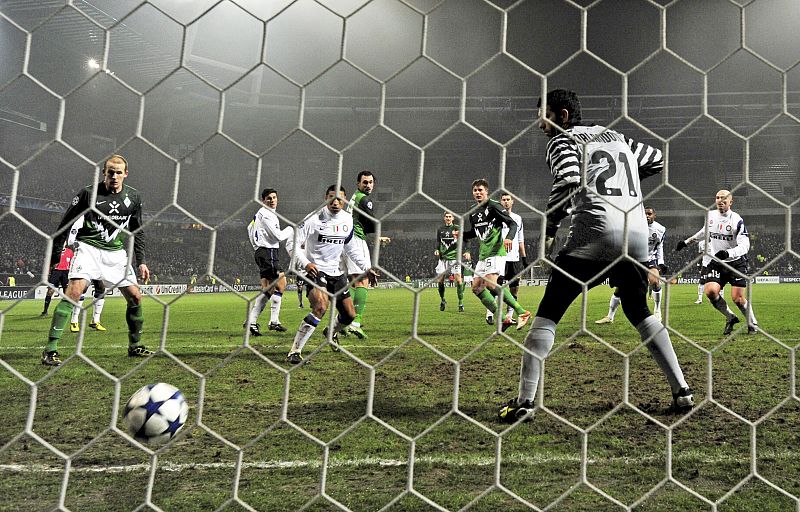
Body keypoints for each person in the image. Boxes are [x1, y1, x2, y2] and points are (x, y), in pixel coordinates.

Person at [498, 89, 693, 422]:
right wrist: (624, 179)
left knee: (549, 312)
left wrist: (549, 227)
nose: (539, 124)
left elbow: (570, 180)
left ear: (560, 115)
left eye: (543, 115)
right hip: (636, 236)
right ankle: (682, 391)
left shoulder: (562, 140)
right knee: (639, 309)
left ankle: (526, 402)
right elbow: (657, 158)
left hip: (594, 233)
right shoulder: (615, 136)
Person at [40, 154, 152, 366]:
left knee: (136, 298)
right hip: (88, 249)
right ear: (104, 173)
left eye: (119, 173)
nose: (115, 177)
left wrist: (142, 261)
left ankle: (135, 345)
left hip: (116, 254)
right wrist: (56, 256)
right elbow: (64, 224)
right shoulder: (88, 193)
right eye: (111, 173)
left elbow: (138, 231)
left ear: (126, 174)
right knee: (73, 293)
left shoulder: (134, 197)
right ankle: (50, 349)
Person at [285, 184, 377, 364]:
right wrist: (306, 263)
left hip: (336, 272)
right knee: (320, 306)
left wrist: (367, 267)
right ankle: (295, 351)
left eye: (340, 199)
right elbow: (291, 243)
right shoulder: (313, 219)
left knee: (349, 316)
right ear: (325, 198)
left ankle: (331, 331)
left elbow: (350, 247)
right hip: (315, 270)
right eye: (331, 198)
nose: (335, 202)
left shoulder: (347, 220)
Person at [676, 189, 758, 335]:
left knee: (738, 299)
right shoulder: (710, 215)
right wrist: (687, 242)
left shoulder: (736, 220)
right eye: (718, 197)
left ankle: (752, 323)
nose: (720, 200)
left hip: (735, 262)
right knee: (710, 291)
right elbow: (704, 231)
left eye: (724, 198)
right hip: (717, 262)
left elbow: (745, 245)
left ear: (730, 202)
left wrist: (728, 253)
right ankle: (730, 317)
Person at [461, 179, 530, 331]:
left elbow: (513, 224)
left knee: (491, 285)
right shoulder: (473, 211)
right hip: (483, 254)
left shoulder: (494, 206)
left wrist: (509, 238)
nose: (478, 193)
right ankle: (502, 318)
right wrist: (462, 234)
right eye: (475, 191)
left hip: (497, 251)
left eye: (480, 190)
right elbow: (475, 232)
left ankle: (522, 312)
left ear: (486, 192)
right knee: (476, 288)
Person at [595, 206, 668, 323]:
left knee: (655, 281)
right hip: (635, 258)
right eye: (645, 214)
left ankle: (657, 311)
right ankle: (610, 316)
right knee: (620, 287)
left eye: (649, 214)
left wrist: (661, 262)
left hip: (650, 258)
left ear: (654, 215)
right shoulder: (634, 227)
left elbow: (660, 247)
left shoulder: (660, 229)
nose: (647, 216)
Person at [344, 171, 390, 339]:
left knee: (354, 283)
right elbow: (372, 222)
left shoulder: (355, 198)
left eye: (370, 182)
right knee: (363, 280)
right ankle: (355, 323)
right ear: (358, 184)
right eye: (365, 182)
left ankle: (344, 321)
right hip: (356, 240)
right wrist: (378, 236)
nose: (368, 185)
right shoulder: (364, 199)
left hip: (347, 239)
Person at [245, 188, 293, 336]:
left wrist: (256, 246)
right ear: (263, 200)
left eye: (274, 198)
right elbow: (278, 236)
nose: (272, 200)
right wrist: (291, 229)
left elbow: (249, 228)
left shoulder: (260, 214)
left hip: (263, 252)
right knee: (280, 284)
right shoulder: (267, 215)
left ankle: (256, 321)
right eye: (269, 198)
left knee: (268, 289)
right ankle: (268, 321)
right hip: (268, 252)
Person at [499, 193, 528, 324]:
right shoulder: (497, 218)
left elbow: (520, 240)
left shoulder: (518, 218)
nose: (505, 202)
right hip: (500, 257)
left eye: (508, 199)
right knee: (496, 286)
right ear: (500, 202)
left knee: (514, 287)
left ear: (512, 201)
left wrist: (524, 258)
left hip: (514, 258)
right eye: (503, 200)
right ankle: (490, 313)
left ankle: (509, 316)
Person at [434, 211, 465, 312]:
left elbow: (464, 240)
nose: (448, 218)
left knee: (459, 280)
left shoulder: (457, 228)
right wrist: (437, 249)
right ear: (444, 218)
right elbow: (438, 241)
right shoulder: (440, 229)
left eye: (449, 216)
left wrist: (466, 251)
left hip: (454, 258)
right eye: (446, 216)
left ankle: (460, 303)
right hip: (443, 258)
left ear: (453, 218)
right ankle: (442, 300)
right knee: (440, 280)